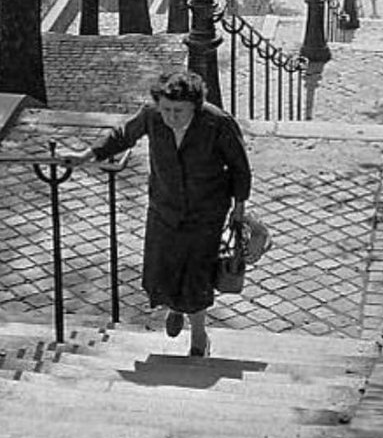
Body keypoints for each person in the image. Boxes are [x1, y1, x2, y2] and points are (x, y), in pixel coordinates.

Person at [66, 69, 252, 357]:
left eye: (179, 111)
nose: (171, 117)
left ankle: (199, 335)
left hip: (206, 212)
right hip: (165, 208)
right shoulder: (152, 116)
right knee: (164, 267)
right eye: (166, 109)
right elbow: (122, 136)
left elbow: (240, 167)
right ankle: (176, 307)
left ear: (195, 107)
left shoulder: (217, 123)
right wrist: (87, 156)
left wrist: (238, 209)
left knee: (196, 274)